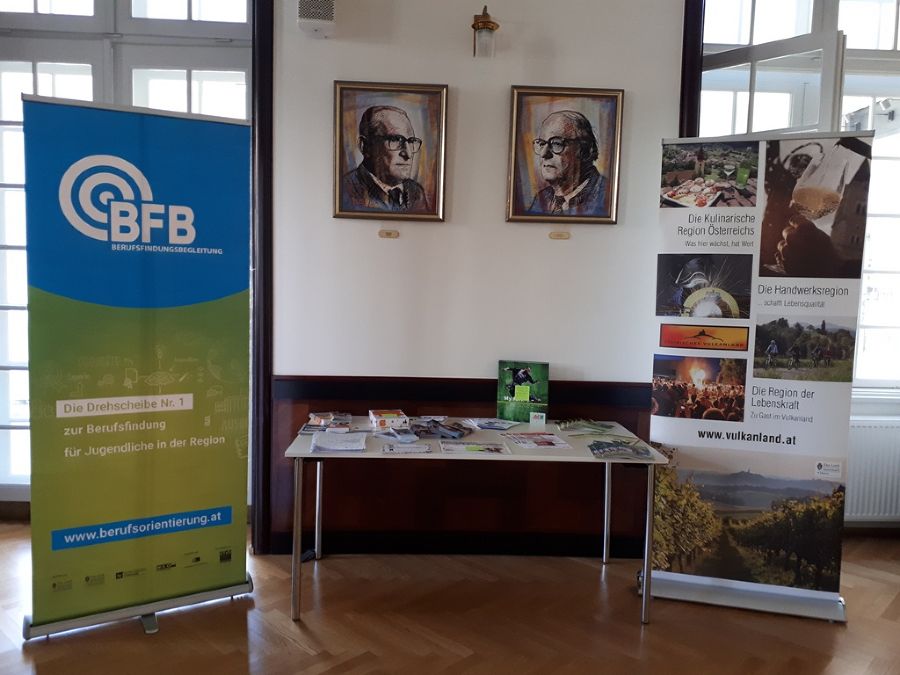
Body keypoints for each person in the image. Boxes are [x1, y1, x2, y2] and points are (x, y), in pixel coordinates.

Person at [340, 105, 430, 213]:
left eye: (411, 142)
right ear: (366, 146)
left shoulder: (416, 193)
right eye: (396, 140)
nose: (408, 154)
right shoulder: (345, 190)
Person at [528, 110, 608, 217]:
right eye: (542, 144)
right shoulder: (540, 199)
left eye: (556, 143)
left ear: (585, 150)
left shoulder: (606, 195)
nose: (543, 153)